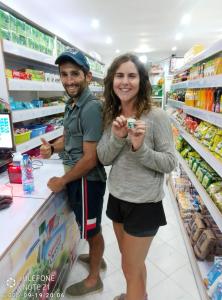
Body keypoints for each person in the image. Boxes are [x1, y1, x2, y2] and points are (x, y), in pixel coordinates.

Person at [97, 53, 177, 300]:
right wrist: (118, 138)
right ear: (112, 80)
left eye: (132, 76)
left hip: (144, 205)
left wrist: (140, 148)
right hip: (118, 198)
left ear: (141, 81)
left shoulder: (157, 117)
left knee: (129, 269)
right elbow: (103, 157)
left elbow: (170, 162)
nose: (125, 81)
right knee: (132, 265)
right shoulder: (112, 115)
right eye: (119, 75)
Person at [40, 48, 107, 297]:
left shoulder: (90, 107)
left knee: (93, 229)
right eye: (64, 74)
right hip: (78, 179)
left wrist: (62, 180)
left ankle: (94, 280)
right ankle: (94, 255)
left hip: (87, 182)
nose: (69, 80)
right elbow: (69, 137)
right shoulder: (73, 104)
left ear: (87, 76)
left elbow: (90, 159)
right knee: (89, 227)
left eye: (75, 74)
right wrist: (52, 148)